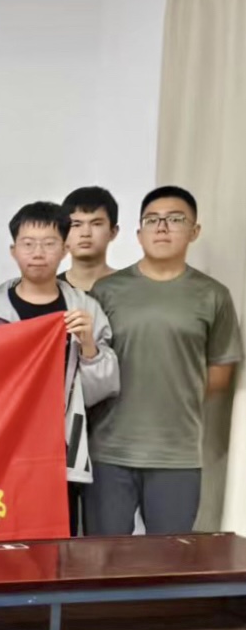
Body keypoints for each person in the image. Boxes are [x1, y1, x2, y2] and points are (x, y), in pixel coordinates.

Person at [84, 186, 242, 536]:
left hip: (177, 454)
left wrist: (173, 397)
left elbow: (220, 372)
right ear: (139, 233)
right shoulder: (107, 291)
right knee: (101, 556)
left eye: (175, 219)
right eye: (152, 220)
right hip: (109, 450)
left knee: (170, 557)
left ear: (194, 231)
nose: (162, 227)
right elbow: (89, 364)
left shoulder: (213, 295)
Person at [0, 202, 119, 536]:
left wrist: (88, 346)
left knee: (58, 541)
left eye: (49, 243)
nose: (38, 253)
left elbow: (101, 390)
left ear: (65, 248)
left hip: (61, 447)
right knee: (2, 534)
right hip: (4, 445)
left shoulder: (84, 309)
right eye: (28, 243)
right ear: (13, 250)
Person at [59, 186, 119, 292]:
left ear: (113, 232)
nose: (85, 233)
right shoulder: (47, 291)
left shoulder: (134, 289)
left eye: (96, 224)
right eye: (76, 225)